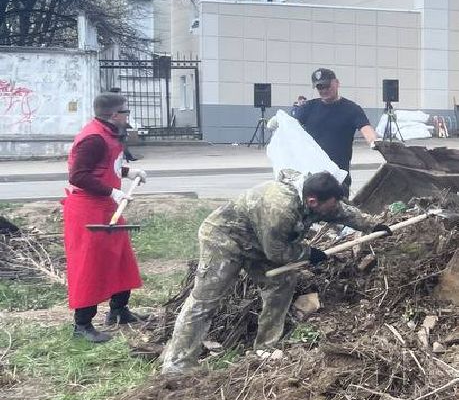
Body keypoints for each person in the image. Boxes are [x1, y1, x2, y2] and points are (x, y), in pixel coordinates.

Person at [158, 173, 386, 374]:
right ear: (313, 201)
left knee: (282, 282)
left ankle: (265, 347)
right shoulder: (281, 209)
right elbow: (277, 251)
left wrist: (372, 225)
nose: (333, 209)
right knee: (206, 299)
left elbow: (341, 212)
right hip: (225, 239)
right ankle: (178, 363)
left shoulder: (317, 198)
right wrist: (308, 253)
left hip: (258, 241)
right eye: (330, 205)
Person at [63, 94, 146, 343]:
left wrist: (128, 172)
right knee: (90, 265)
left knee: (121, 259)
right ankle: (83, 325)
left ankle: (119, 310)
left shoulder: (109, 134)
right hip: (87, 210)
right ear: (113, 115)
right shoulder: (93, 139)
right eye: (125, 112)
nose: (127, 116)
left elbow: (106, 165)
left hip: (107, 207)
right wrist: (112, 190)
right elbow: (78, 175)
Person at [292, 68, 379, 194]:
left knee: (339, 210)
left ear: (337, 83)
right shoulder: (308, 108)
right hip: (311, 174)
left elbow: (365, 128)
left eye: (327, 86)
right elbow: (291, 126)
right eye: (320, 87)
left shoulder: (351, 109)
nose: (324, 90)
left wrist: (374, 141)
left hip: (338, 175)